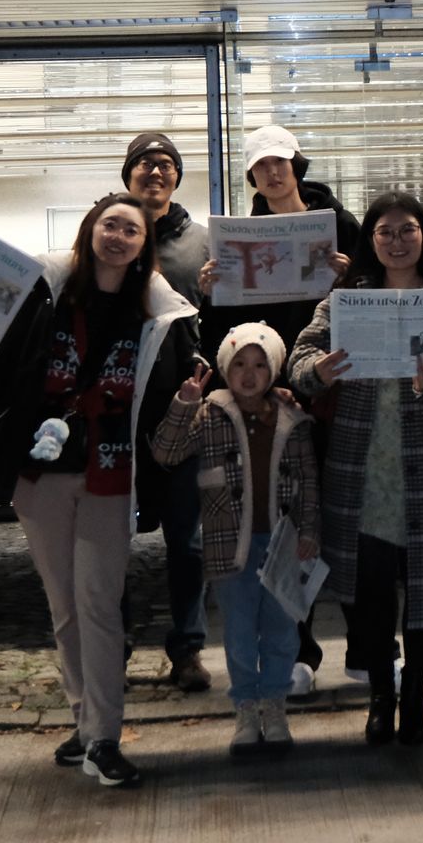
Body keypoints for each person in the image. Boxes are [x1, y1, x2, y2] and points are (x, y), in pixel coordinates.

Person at [0, 192, 197, 789]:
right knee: (65, 607)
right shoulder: (43, 296)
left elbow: (174, 384)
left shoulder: (159, 312)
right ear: (90, 230)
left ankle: (105, 738)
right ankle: (85, 721)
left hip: (110, 472)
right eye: (110, 225)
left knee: (99, 603)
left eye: (132, 231)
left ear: (145, 246)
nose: (118, 237)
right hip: (40, 473)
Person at [287, 191, 423, 747]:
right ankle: (381, 693)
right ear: (370, 240)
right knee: (370, 589)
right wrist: (319, 371)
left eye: (408, 230)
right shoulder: (346, 299)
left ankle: (414, 694)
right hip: (365, 467)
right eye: (385, 232)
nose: (397, 241)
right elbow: (300, 357)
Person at [197, 124, 361, 696]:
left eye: (280, 162)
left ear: (297, 165)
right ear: (252, 176)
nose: (272, 172)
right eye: (261, 165)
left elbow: (371, 298)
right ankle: (300, 651)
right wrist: (211, 292)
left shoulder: (341, 226)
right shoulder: (238, 239)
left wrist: (349, 277)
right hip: (272, 402)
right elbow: (224, 335)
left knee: (350, 519)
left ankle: (368, 649)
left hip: (335, 392)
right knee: (287, 526)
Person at [153, 323, 321, 755]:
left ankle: (275, 706)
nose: (249, 374)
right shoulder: (209, 414)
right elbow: (166, 451)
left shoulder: (292, 418)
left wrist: (309, 531)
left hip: (282, 545)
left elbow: (307, 481)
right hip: (230, 546)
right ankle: (246, 708)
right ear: (226, 368)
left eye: (260, 365)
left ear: (275, 370)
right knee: (240, 632)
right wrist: (183, 404)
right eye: (240, 364)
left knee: (282, 631)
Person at [119, 131, 211, 693]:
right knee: (109, 541)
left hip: (183, 408)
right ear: (128, 174)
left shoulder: (202, 242)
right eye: (145, 164)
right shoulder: (108, 232)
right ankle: (113, 646)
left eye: (166, 164)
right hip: (116, 412)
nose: (156, 172)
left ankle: (189, 648)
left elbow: (225, 316)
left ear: (177, 176)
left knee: (188, 538)